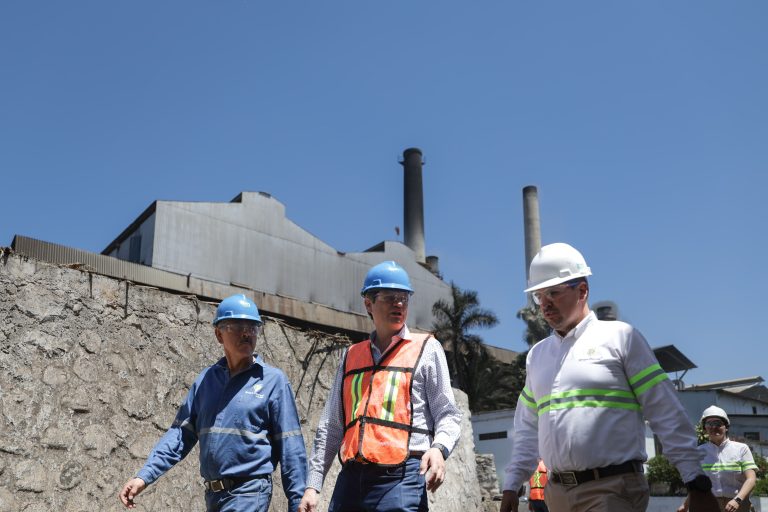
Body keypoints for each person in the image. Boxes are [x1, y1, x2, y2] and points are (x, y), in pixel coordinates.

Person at [500, 243, 718, 512]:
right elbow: (527, 428)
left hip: (613, 490)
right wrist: (512, 483)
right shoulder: (537, 356)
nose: (544, 303)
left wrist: (695, 479)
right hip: (556, 495)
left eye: (553, 293)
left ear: (582, 290)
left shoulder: (621, 338)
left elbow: (664, 410)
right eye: (538, 296)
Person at [298, 261, 462, 512]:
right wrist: (313, 485)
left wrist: (439, 449)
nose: (399, 304)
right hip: (351, 480)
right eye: (389, 297)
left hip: (402, 479)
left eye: (404, 297)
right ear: (368, 304)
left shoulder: (426, 349)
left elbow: (447, 414)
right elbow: (331, 426)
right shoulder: (351, 356)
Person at [118, 294, 307, 512]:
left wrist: (297, 501)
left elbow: (291, 445)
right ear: (219, 334)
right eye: (238, 326)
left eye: (253, 327)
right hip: (213, 496)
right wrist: (144, 477)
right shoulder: (206, 381)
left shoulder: (273, 381)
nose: (247, 333)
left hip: (249, 492)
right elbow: (180, 435)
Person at [678, 406, 758, 512]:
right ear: (704, 428)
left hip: (737, 505)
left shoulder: (741, 449)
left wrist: (737, 500)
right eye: (709, 424)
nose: (713, 427)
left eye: (718, 423)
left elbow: (751, 479)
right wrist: (685, 505)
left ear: (726, 427)